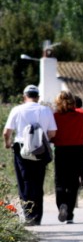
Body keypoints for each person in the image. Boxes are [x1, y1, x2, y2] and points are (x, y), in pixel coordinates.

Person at [3, 85, 57, 226]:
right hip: (39, 149)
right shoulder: (45, 110)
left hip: (21, 148)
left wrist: (7, 143)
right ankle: (37, 217)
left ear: (24, 96)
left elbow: (6, 132)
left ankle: (28, 215)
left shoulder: (17, 110)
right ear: (38, 97)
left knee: (24, 180)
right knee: (38, 182)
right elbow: (52, 133)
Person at [51, 91, 83, 223]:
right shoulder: (81, 114)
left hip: (61, 149)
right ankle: (69, 213)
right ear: (73, 101)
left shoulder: (55, 116)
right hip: (77, 149)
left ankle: (61, 205)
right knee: (73, 182)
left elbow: (51, 133)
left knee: (60, 181)